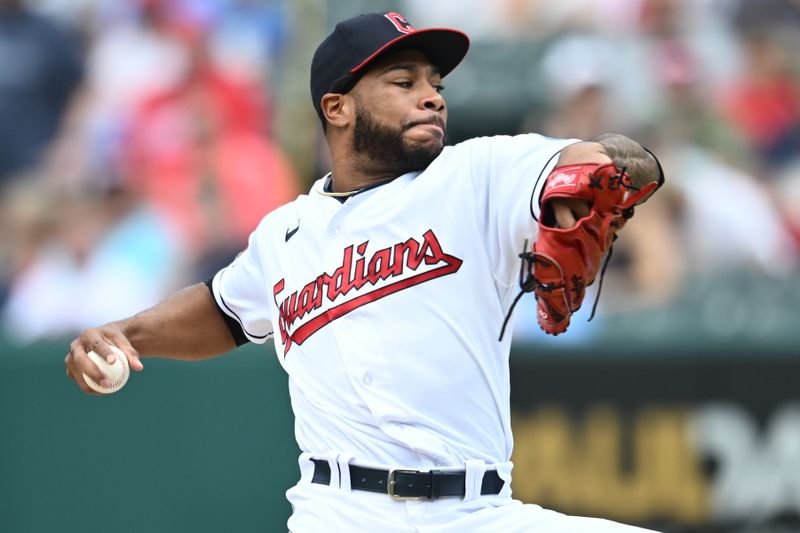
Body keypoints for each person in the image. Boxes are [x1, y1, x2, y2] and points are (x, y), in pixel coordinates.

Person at [65, 12, 663, 533]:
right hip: (341, 513)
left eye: (436, 84)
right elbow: (223, 311)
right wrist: (127, 333)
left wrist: (592, 177)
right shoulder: (284, 233)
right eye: (404, 82)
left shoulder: (475, 174)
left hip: (478, 514)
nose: (432, 97)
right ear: (337, 106)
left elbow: (619, 160)